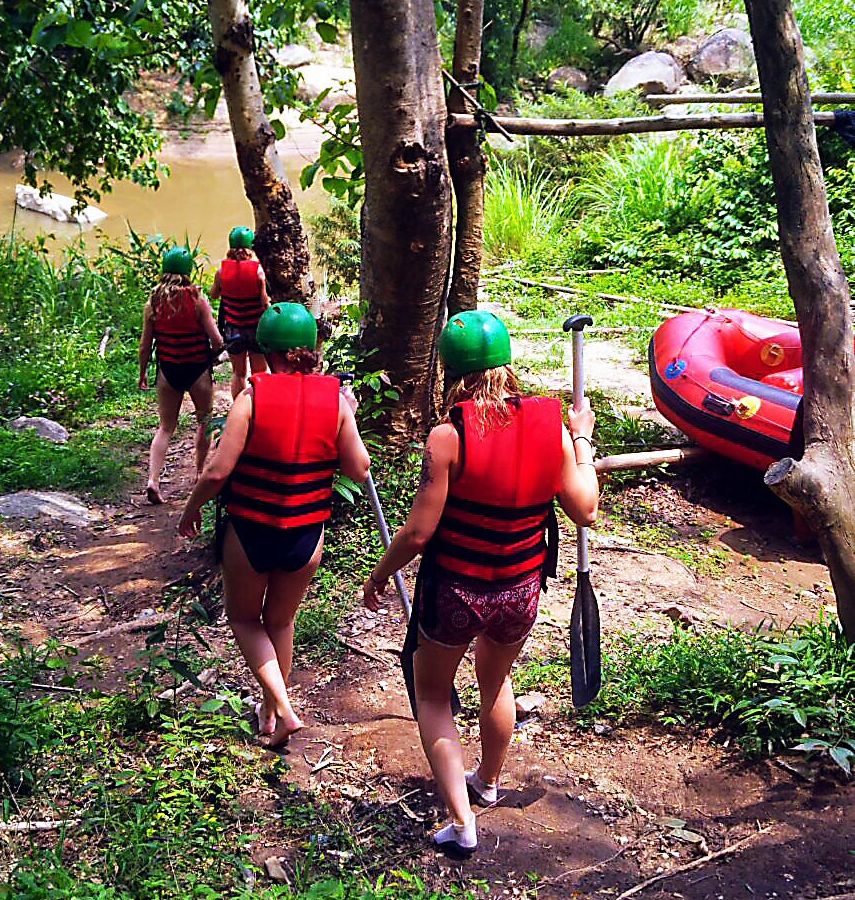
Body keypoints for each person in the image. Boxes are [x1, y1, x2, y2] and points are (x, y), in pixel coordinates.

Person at [363, 310, 599, 856]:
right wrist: (582, 445)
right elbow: (585, 507)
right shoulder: (553, 426)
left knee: (431, 696)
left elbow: (419, 533)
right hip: (521, 588)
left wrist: (380, 572)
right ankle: (488, 783)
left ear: (451, 372)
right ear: (506, 363)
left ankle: (461, 819)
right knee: (495, 682)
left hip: (454, 592)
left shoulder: (448, 436)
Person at [178, 302, 370, 748]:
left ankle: (282, 707)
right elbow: (359, 470)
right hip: (305, 536)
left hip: (250, 530)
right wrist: (351, 416)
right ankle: (270, 713)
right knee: (280, 621)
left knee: (244, 618)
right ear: (310, 349)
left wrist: (191, 510)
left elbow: (217, 472)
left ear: (267, 350)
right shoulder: (336, 399)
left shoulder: (252, 396)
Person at [138, 245, 224, 505]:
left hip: (168, 371)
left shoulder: (152, 303)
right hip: (197, 370)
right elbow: (217, 340)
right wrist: (218, 352)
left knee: (165, 427)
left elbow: (145, 345)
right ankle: (198, 474)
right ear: (188, 271)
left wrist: (142, 373)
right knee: (204, 421)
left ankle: (153, 480)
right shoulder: (197, 299)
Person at [210, 226, 270, 398]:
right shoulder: (258, 271)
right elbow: (265, 303)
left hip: (233, 328)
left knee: (238, 373)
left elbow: (214, 295)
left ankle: (238, 408)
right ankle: (260, 408)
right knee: (259, 373)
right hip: (255, 328)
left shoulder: (221, 271)